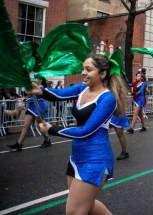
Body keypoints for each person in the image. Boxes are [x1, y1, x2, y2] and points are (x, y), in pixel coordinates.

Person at [34, 54, 125, 214]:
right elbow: (57, 95)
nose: (83, 72)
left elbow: (86, 131)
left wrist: (52, 130)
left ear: (102, 73)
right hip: (76, 157)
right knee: (87, 206)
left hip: (95, 160)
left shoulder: (107, 98)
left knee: (74, 211)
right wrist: (39, 90)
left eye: (88, 69)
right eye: (83, 68)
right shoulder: (82, 89)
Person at [7, 78, 51, 151]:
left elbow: (35, 97)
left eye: (37, 79)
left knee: (40, 126)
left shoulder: (41, 87)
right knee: (26, 126)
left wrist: (25, 99)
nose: (35, 79)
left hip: (39, 107)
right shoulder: (32, 86)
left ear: (41, 80)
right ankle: (19, 144)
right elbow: (29, 94)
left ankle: (47, 140)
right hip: (31, 107)